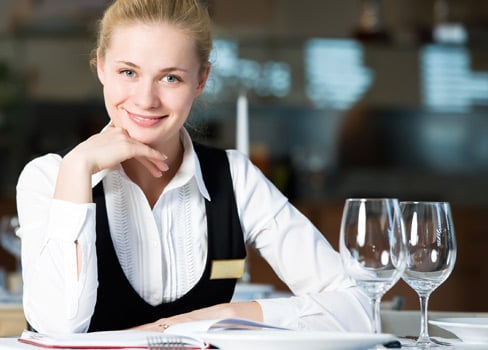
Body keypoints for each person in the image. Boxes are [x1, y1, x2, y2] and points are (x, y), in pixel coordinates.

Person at [16, 0, 371, 334]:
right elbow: (59, 328)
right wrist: (78, 168)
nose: (146, 99)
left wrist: (224, 314)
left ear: (200, 80)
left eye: (171, 78)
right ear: (101, 68)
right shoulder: (48, 178)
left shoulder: (235, 177)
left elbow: (357, 308)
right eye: (128, 72)